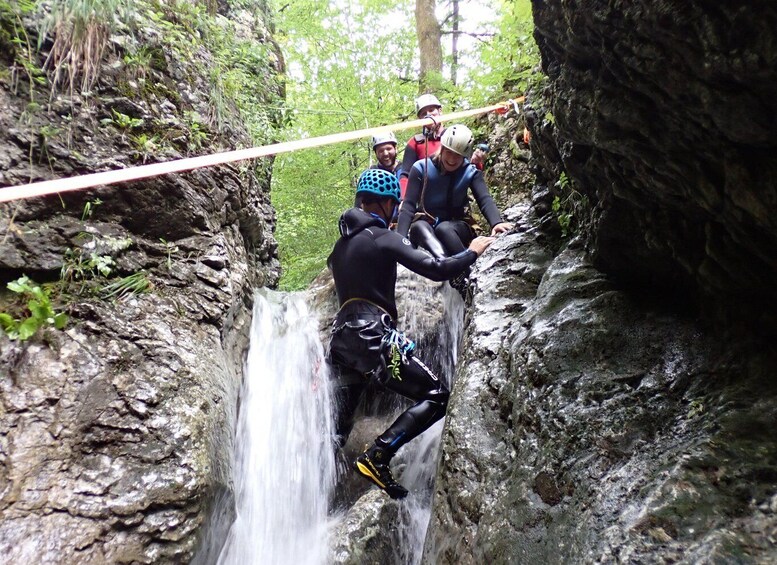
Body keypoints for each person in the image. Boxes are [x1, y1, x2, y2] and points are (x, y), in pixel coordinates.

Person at [327, 168, 494, 499]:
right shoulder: (382, 237)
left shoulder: (338, 250)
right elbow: (434, 268)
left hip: (342, 342)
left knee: (336, 433)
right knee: (436, 395)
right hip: (373, 334)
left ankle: (316, 491)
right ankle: (379, 454)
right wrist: (472, 250)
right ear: (387, 204)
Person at [397, 124, 512, 263]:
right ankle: (447, 266)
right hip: (428, 225)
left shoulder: (470, 172)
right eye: (449, 152)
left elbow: (484, 199)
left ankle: (465, 267)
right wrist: (399, 242)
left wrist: (496, 222)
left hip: (456, 226)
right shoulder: (421, 168)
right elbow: (408, 205)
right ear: (442, 148)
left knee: (444, 229)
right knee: (418, 227)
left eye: (458, 155)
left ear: (465, 155)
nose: (452, 159)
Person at [398, 93, 445, 197]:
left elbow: (467, 168)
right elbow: (405, 175)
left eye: (432, 110)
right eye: (424, 113)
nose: (428, 115)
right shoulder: (415, 143)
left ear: (440, 111)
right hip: (426, 201)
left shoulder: (454, 136)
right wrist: (404, 200)